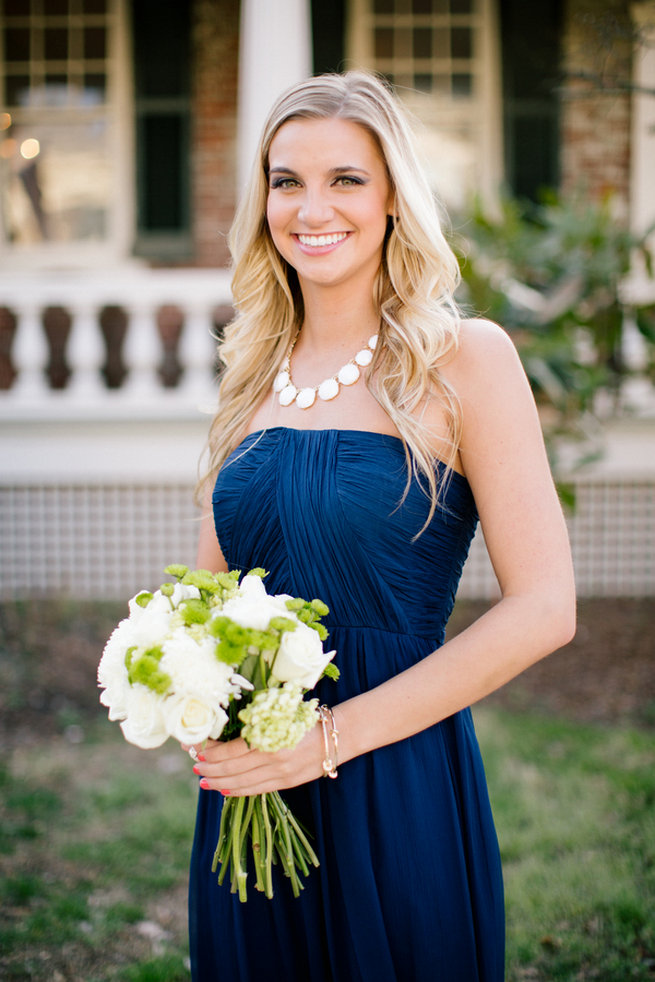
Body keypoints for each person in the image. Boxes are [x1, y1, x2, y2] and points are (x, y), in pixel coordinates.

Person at [186, 70, 576, 982]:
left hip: (394, 771)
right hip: (252, 785)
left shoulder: (464, 360)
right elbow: (207, 592)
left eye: (345, 179)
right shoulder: (251, 373)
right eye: (287, 181)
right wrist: (178, 682)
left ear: (394, 195)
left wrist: (325, 741)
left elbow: (544, 607)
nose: (310, 207)